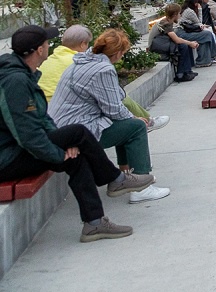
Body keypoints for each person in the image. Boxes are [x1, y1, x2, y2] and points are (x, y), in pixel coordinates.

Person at [0, 25, 153, 242]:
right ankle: (115, 179)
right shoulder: (15, 81)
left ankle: (94, 223)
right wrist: (57, 154)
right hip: (7, 158)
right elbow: (26, 134)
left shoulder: (23, 74)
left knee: (77, 152)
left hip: (14, 149)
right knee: (79, 133)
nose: (48, 46)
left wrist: (63, 142)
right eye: (46, 43)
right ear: (39, 50)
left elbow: (42, 119)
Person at [49, 29, 171, 204]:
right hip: (76, 132)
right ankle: (141, 188)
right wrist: (135, 118)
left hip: (61, 128)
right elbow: (114, 109)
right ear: (118, 53)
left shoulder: (83, 61)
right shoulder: (103, 69)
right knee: (135, 127)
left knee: (125, 122)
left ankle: (128, 175)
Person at [39, 24, 171, 131]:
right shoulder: (78, 62)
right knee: (125, 106)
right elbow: (113, 107)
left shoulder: (52, 59)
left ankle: (145, 122)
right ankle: (147, 122)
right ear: (82, 44)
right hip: (73, 118)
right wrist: (133, 119)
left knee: (120, 102)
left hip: (50, 110)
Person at [148, 3, 199, 83]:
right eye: (179, 13)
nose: (180, 15)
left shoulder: (168, 21)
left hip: (163, 43)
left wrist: (189, 43)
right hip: (156, 46)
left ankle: (188, 71)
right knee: (183, 46)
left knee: (186, 44)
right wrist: (190, 43)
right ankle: (180, 74)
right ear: (175, 14)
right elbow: (177, 40)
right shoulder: (165, 23)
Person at [176, 0, 216, 66]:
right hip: (183, 33)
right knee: (207, 34)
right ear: (195, 3)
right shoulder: (190, 11)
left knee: (205, 38)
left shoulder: (186, 9)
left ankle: (205, 61)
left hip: (184, 32)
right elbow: (199, 22)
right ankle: (215, 54)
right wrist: (200, 10)